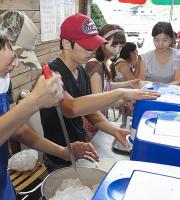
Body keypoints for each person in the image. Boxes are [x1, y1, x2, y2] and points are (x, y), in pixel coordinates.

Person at [0, 10, 99, 200]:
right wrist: (33, 101)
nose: (16, 65)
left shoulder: (0, 78)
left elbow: (18, 128)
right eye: (15, 55)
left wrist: (63, 151)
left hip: (1, 182)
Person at [40, 14, 160, 172]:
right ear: (66, 44)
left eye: (93, 45)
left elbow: (91, 112)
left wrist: (114, 130)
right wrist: (120, 93)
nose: (91, 50)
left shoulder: (81, 72)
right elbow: (71, 108)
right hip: (59, 156)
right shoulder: (52, 74)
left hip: (79, 149)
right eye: (86, 46)